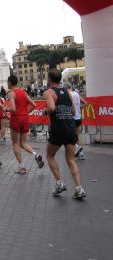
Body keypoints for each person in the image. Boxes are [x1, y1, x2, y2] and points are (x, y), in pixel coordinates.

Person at [43, 69, 86, 199]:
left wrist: (45, 112)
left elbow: (50, 108)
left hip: (58, 128)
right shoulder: (68, 92)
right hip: (70, 127)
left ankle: (59, 183)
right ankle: (79, 188)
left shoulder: (49, 92)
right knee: (71, 159)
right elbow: (73, 111)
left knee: (50, 155)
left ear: (49, 80)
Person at [6, 75, 44, 173]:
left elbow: (13, 109)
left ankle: (21, 167)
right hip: (24, 118)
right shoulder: (23, 92)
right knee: (23, 143)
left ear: (9, 83)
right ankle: (36, 154)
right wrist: (26, 112)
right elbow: (34, 105)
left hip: (16, 118)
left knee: (15, 143)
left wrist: (6, 109)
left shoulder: (11, 93)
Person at [64, 82, 87, 160]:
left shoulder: (67, 95)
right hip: (78, 118)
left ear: (66, 88)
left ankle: (78, 150)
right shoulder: (77, 94)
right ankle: (80, 153)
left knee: (71, 136)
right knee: (77, 135)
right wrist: (78, 108)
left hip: (71, 118)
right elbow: (85, 103)